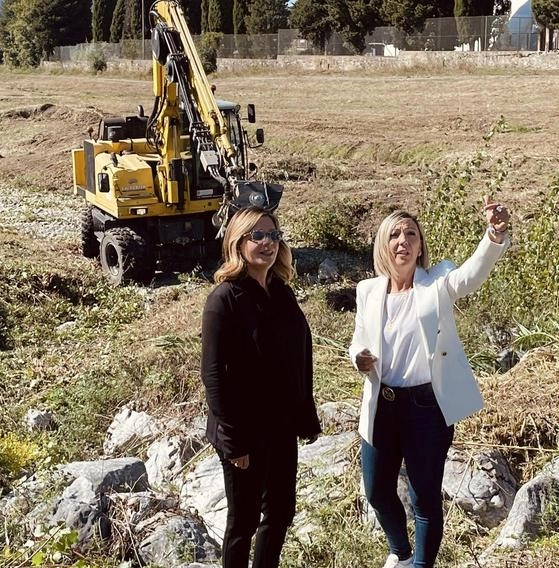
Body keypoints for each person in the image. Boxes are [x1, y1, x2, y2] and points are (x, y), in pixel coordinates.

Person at [348, 198, 511, 568]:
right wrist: (358, 357)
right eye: (394, 234)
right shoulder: (368, 291)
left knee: (424, 499)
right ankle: (401, 553)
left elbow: (471, 275)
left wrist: (494, 235)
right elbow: (359, 339)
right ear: (383, 245)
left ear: (420, 245)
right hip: (382, 405)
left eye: (410, 234)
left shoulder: (437, 281)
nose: (403, 240)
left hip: (426, 407)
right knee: (376, 491)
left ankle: (422, 565)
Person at [200, 206, 323, 568]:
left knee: (282, 511)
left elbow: (299, 354)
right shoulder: (224, 299)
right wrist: (235, 440)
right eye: (258, 235)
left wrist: (306, 414)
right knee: (244, 521)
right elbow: (214, 376)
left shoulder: (281, 292)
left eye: (273, 235)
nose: (268, 242)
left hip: (280, 426)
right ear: (238, 242)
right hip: (243, 431)